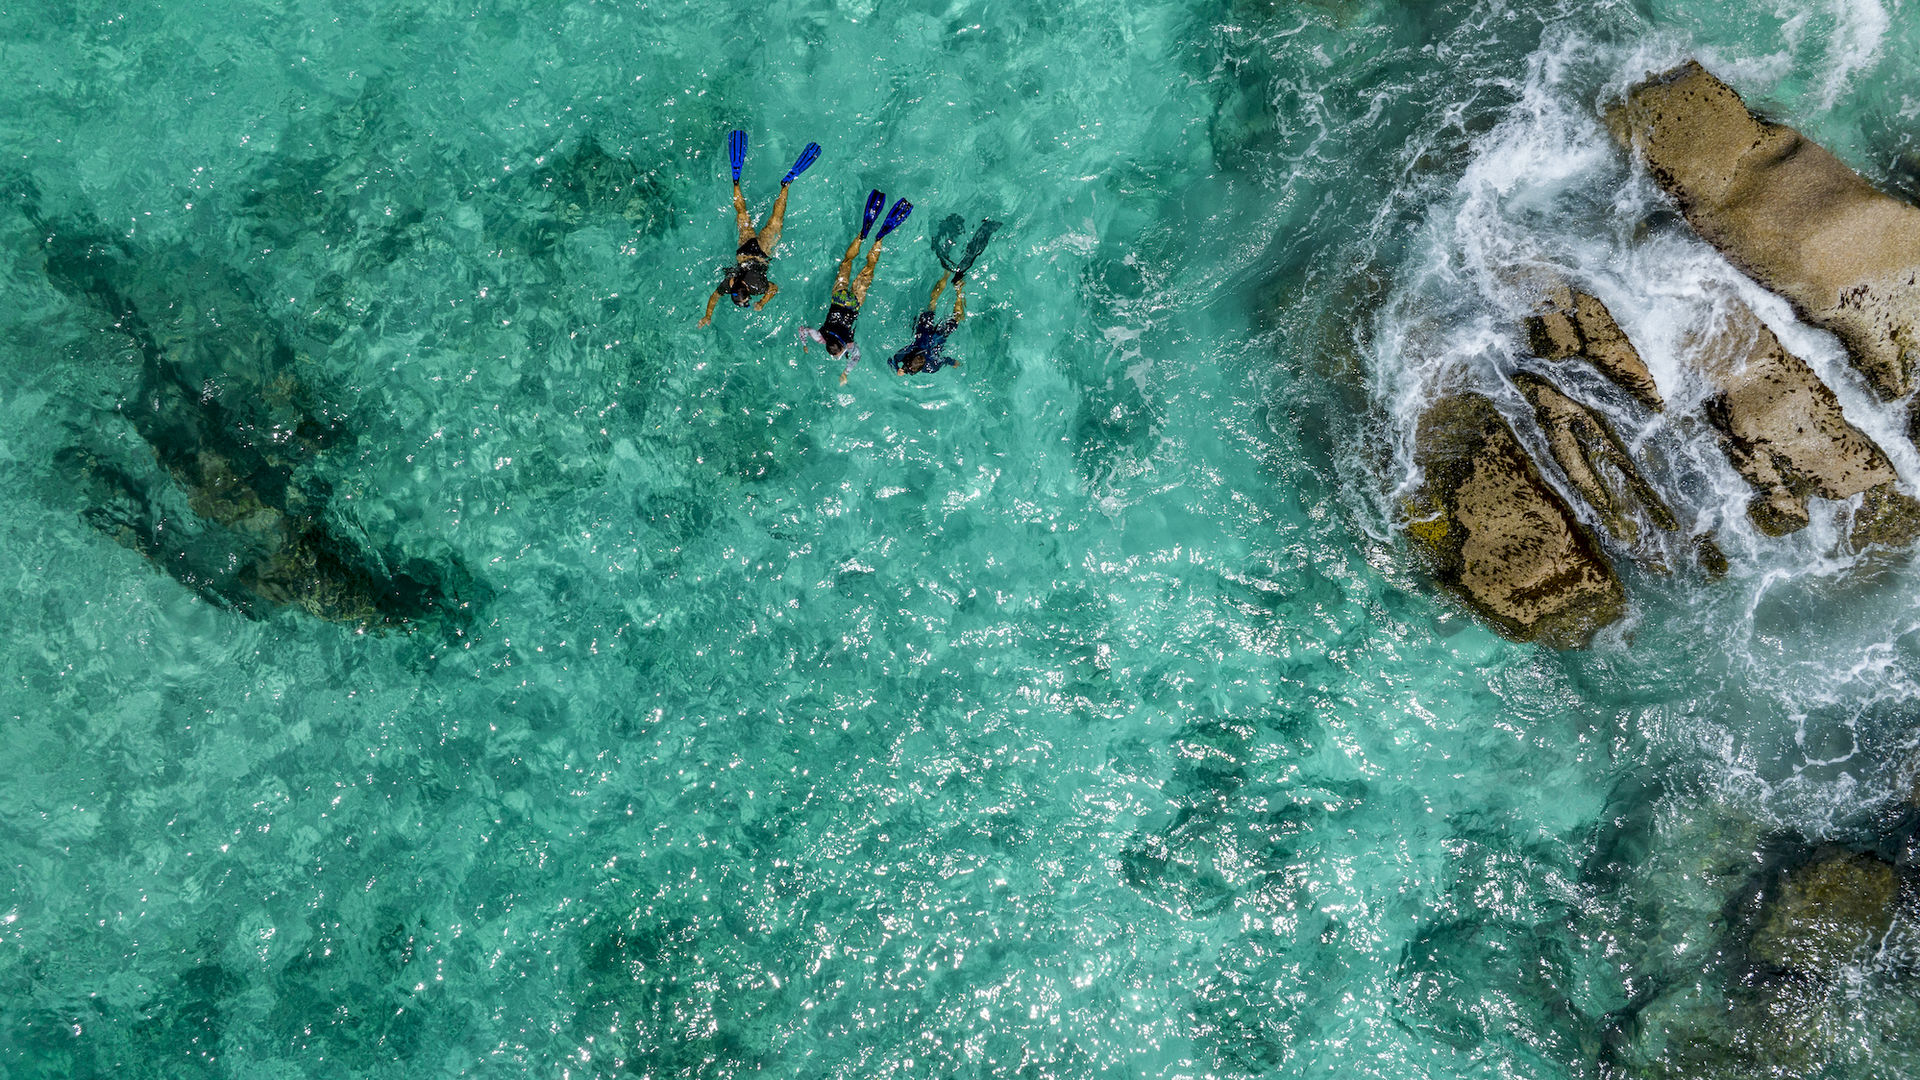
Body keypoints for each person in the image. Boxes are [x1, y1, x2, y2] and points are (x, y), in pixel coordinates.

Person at [699, 131, 819, 327]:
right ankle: (736, 181)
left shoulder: (757, 287)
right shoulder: (729, 283)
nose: (750, 301)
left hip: (763, 251)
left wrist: (762, 303)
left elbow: (773, 288)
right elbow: (714, 297)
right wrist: (708, 315)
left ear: (748, 292)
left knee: (777, 219)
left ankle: (786, 185)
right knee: (742, 215)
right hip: (744, 251)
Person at [798, 189, 912, 383]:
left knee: (869, 267)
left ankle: (879, 238)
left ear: (841, 347)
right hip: (839, 298)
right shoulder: (822, 336)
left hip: (853, 305)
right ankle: (862, 235)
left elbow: (856, 357)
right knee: (847, 262)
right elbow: (803, 329)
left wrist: (845, 373)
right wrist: (805, 344)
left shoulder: (849, 344)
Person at [889, 272, 965, 375]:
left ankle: (959, 292)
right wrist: (896, 367)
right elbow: (892, 360)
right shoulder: (909, 352)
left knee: (957, 318)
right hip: (925, 332)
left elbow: (944, 359)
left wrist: (954, 363)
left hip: (937, 338)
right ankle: (946, 275)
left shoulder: (931, 366)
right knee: (932, 302)